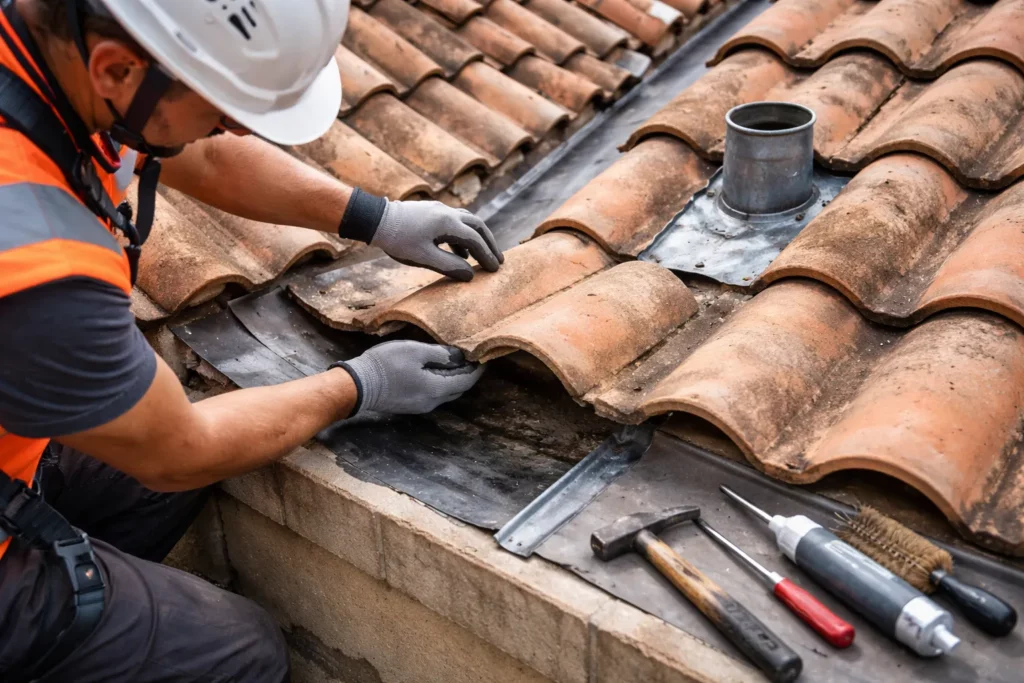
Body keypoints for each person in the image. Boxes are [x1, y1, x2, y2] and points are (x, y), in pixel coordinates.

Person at [0, 0, 505, 681]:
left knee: (178, 475)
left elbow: (200, 157)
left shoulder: (51, 51)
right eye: (220, 107)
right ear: (117, 70)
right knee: (236, 649)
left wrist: (375, 217)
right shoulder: (34, 259)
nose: (233, 126)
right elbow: (177, 451)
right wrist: (361, 385)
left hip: (16, 447)